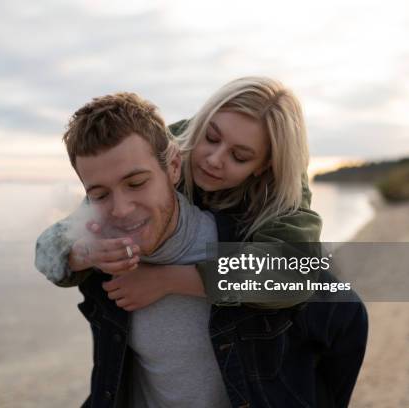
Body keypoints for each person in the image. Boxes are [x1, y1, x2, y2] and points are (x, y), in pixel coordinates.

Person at [35, 78, 368, 408]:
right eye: (211, 137)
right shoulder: (167, 148)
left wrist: (168, 280)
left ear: (264, 165)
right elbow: (51, 248)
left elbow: (295, 277)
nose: (213, 159)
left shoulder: (283, 200)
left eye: (239, 156)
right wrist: (85, 251)